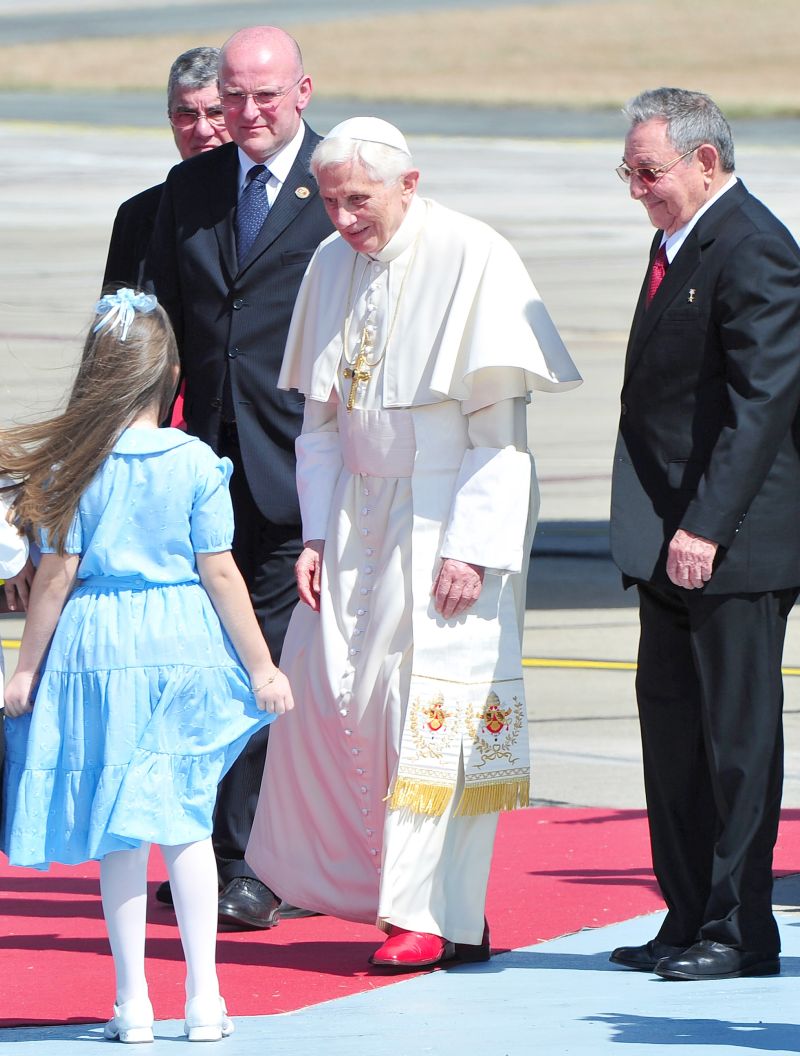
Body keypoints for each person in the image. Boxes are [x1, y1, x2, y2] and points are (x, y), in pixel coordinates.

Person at [245, 116, 582, 969]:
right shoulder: (328, 264)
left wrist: (471, 548)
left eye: (358, 199)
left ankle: (431, 913)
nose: (342, 218)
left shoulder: (475, 256)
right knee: (339, 694)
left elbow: (500, 434)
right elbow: (318, 424)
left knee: (435, 710)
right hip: (356, 513)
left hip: (444, 508)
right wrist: (315, 532)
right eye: (328, 201)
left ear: (409, 183)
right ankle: (387, 895)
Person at [0, 289, 293, 1042]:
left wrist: (25, 670)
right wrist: (261, 666)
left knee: (118, 833)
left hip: (97, 647)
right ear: (169, 373)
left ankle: (133, 1002)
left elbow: (56, 576)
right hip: (181, 639)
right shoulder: (196, 461)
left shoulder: (73, 464)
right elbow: (221, 572)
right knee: (186, 823)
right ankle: (205, 999)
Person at [607, 88, 800, 981]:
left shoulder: (755, 247)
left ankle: (740, 929)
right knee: (673, 738)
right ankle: (686, 916)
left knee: (735, 741)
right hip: (666, 543)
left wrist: (705, 527)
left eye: (648, 171)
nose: (636, 187)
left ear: (706, 162)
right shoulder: (675, 241)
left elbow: (763, 407)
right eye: (630, 170)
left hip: (730, 544)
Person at [145, 24, 333, 930]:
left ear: (303, 92)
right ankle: (220, 854)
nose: (247, 114)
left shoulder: (339, 180)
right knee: (208, 665)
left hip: (299, 469)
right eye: (234, 97)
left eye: (266, 96)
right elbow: (156, 333)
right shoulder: (188, 190)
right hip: (202, 470)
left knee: (268, 667)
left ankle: (253, 860)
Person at [103, 46, 231, 290]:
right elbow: (117, 319)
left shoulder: (263, 204)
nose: (202, 130)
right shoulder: (138, 216)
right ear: (170, 120)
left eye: (216, 113)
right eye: (186, 115)